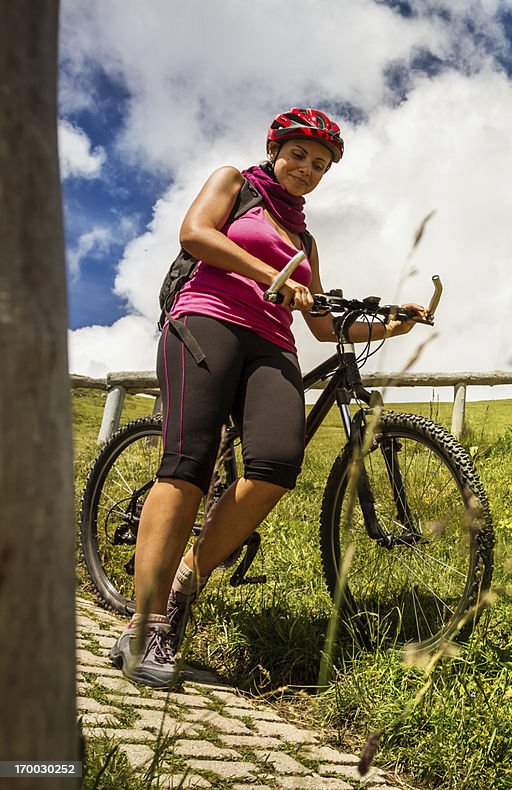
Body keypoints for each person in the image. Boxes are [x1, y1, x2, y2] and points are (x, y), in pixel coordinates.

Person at [109, 108, 426, 687]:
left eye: (321, 164)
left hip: (273, 343)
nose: (307, 169)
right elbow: (196, 235)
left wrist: (393, 324)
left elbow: (325, 327)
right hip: (206, 318)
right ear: (275, 148)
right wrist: (269, 277)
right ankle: (145, 625)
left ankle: (183, 579)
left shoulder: (304, 238)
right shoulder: (236, 182)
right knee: (189, 463)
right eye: (299, 155)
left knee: (278, 466)